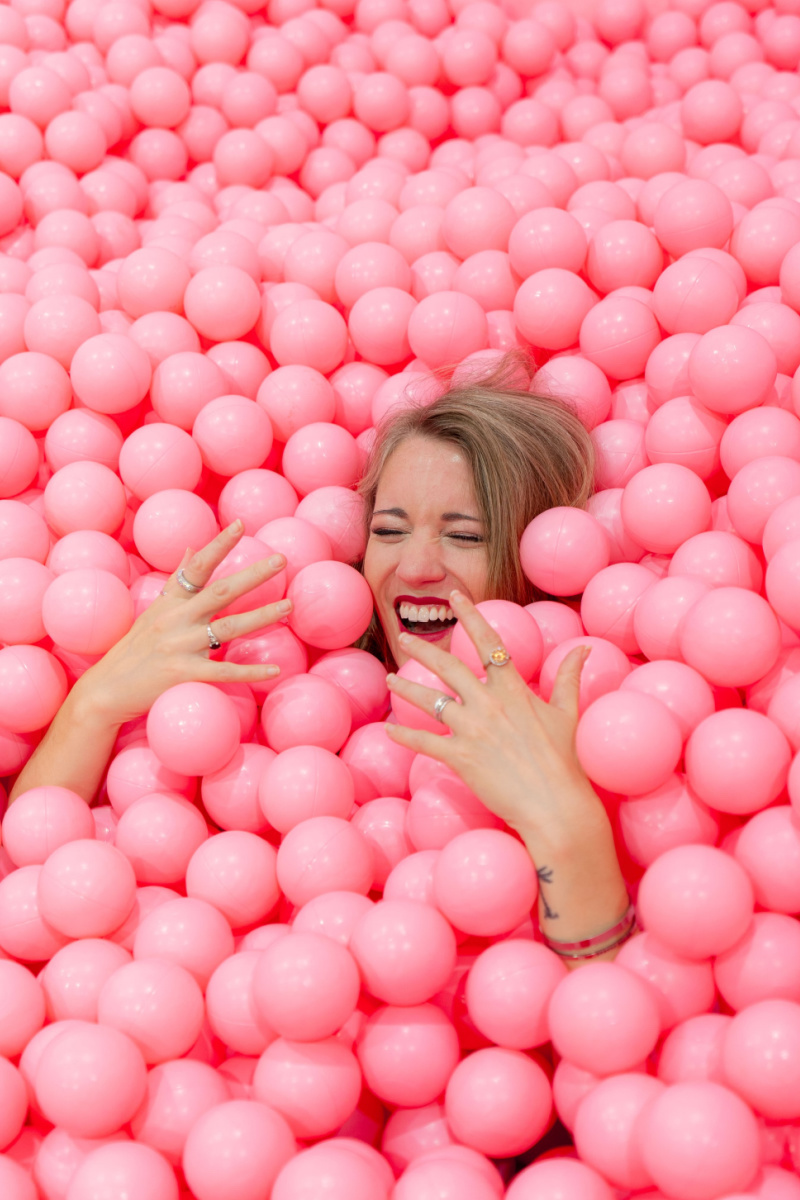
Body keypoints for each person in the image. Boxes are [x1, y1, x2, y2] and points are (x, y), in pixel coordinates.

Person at [10, 354, 631, 966]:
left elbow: (600, 1027)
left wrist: (564, 822)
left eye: (465, 535)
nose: (414, 568)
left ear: (543, 554)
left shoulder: (580, 728)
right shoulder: (274, 686)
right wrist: (95, 703)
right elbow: (26, 886)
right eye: (389, 530)